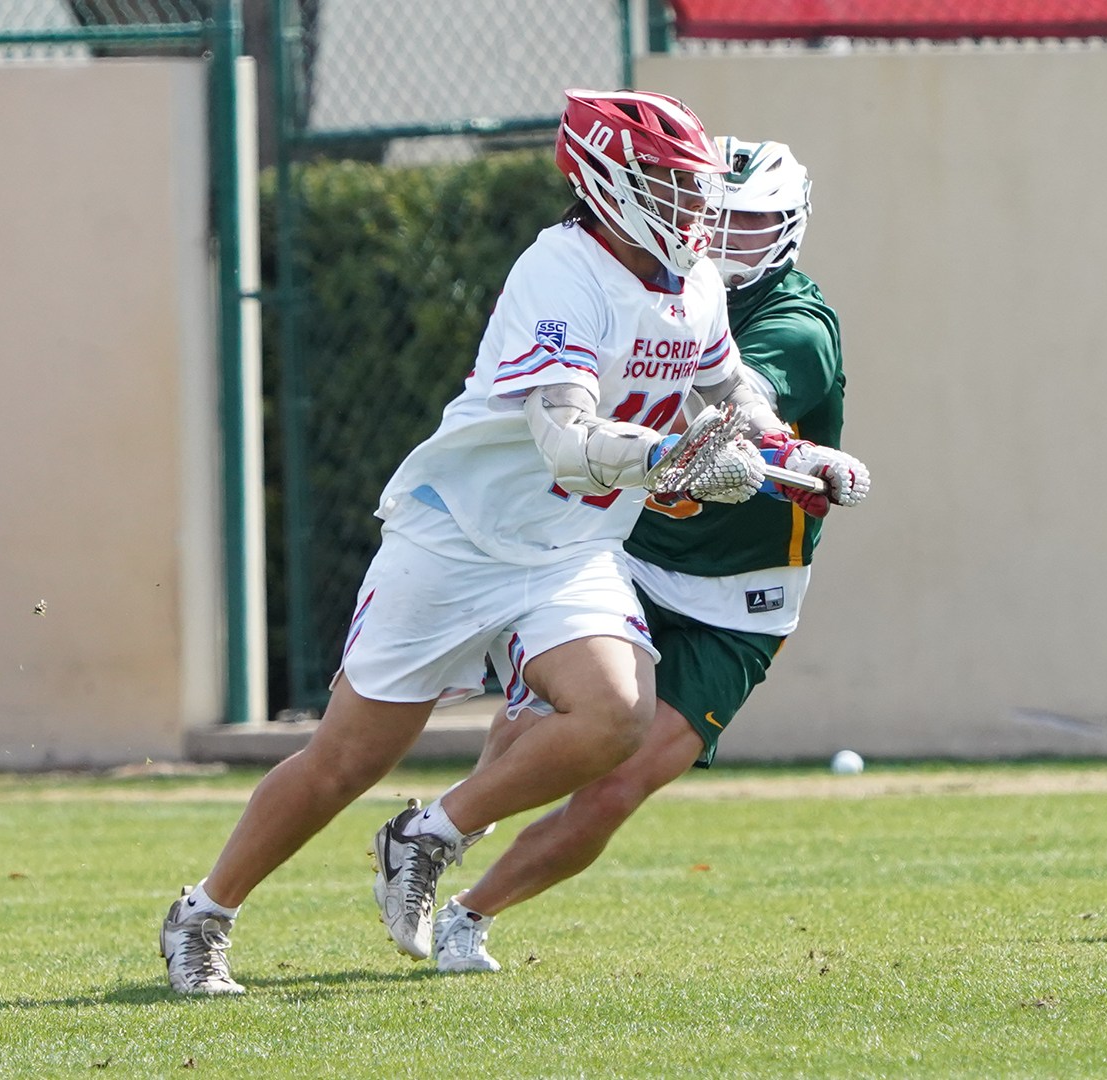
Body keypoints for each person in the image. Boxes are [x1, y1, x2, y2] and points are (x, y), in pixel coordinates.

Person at [158, 91, 863, 994]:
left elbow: (730, 392)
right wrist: (679, 463)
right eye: (671, 186)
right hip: (460, 537)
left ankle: (427, 836)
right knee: (344, 761)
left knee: (617, 714)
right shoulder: (559, 269)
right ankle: (205, 913)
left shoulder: (692, 281)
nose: (695, 212)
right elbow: (566, 439)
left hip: (570, 549)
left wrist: (799, 454)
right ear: (610, 181)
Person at [427, 138, 866, 973]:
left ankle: (469, 915)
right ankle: (443, 832)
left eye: (753, 225)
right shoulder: (641, 284)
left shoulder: (796, 324)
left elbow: (748, 402)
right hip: (628, 549)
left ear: (790, 229)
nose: (727, 239)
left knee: (616, 787)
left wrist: (788, 453)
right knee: (539, 721)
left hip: (740, 594)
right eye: (719, 219)